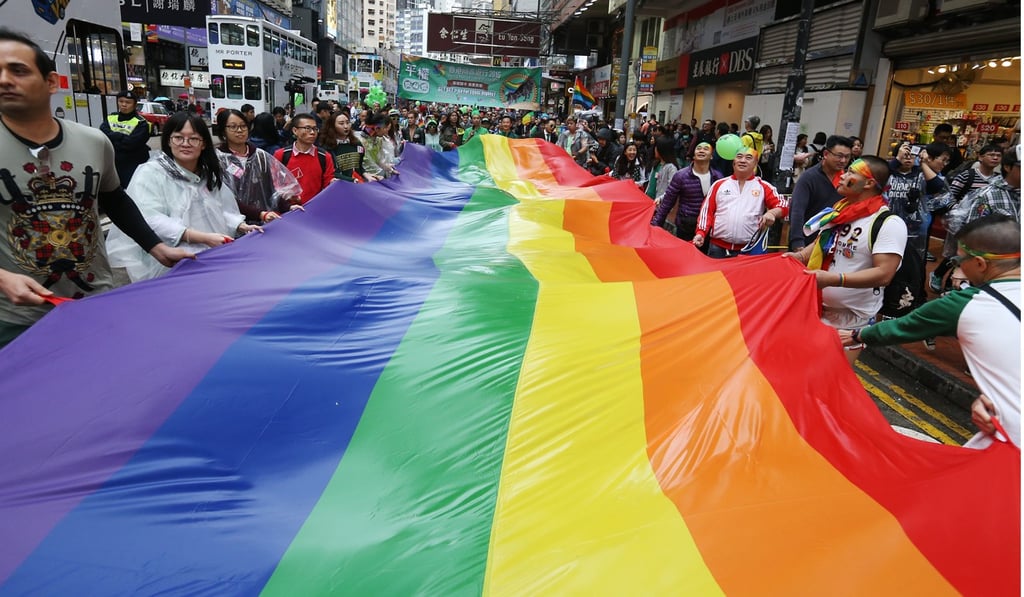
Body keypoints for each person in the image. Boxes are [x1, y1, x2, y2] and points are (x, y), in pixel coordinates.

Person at [0, 28, 192, 346]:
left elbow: (114, 200)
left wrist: (156, 247)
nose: (5, 80)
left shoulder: (93, 141)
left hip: (95, 304)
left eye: (18, 70)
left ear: (51, 82)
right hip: (16, 319)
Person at [839, 215, 1019, 448]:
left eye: (958, 260)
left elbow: (903, 327)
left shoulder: (964, 304)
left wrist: (855, 335)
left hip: (1011, 440)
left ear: (980, 264)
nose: (958, 266)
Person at [106, 112, 260, 282]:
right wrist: (201, 237)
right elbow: (149, 219)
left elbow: (218, 209)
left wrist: (240, 225)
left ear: (203, 144)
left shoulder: (207, 174)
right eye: (178, 138)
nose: (185, 144)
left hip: (211, 258)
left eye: (193, 139)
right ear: (168, 140)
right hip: (169, 264)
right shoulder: (151, 173)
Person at [784, 156, 907, 364]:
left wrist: (832, 279)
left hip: (850, 323)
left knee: (828, 380)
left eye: (851, 172)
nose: (843, 176)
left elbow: (884, 274)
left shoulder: (888, 223)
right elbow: (821, 245)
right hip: (814, 310)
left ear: (868, 183)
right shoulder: (839, 211)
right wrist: (798, 257)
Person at [930, 144, 1006, 292]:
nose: (995, 158)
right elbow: (949, 196)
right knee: (956, 254)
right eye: (991, 154)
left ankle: (951, 288)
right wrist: (958, 214)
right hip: (963, 224)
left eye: (998, 155)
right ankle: (939, 275)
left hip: (984, 228)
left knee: (971, 257)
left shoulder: (999, 180)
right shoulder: (967, 175)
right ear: (980, 157)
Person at [694, 146, 788, 258]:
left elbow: (784, 205)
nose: (743, 160)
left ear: (755, 163)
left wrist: (772, 213)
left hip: (748, 249)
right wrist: (701, 233)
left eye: (748, 158)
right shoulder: (719, 184)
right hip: (717, 248)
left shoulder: (763, 186)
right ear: (734, 162)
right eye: (739, 157)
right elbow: (706, 212)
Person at [215, 109, 301, 225]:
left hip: (263, 222)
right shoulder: (218, 159)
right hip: (233, 225)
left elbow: (270, 189)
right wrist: (259, 214)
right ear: (223, 131)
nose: (239, 130)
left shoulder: (260, 156)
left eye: (243, 126)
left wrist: (288, 207)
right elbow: (226, 200)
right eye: (233, 127)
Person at [788, 135, 853, 250]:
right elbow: (797, 211)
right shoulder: (809, 178)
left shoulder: (848, 180)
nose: (843, 161)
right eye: (839, 156)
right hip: (807, 242)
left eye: (847, 157)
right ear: (826, 154)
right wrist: (797, 242)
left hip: (834, 245)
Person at [652, 141, 723, 242]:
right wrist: (655, 225)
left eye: (706, 149)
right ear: (693, 155)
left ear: (711, 156)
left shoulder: (718, 177)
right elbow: (667, 202)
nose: (702, 150)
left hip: (709, 228)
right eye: (698, 148)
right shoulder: (681, 176)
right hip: (685, 227)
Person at [273, 113, 335, 204]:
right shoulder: (281, 155)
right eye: (307, 128)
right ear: (295, 131)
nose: (312, 132)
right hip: (288, 211)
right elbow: (274, 184)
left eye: (315, 129)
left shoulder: (324, 157)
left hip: (315, 209)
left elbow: (328, 186)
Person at [99, 90, 150, 187]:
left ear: (134, 105)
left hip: (131, 165)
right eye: (121, 101)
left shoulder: (141, 123)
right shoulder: (111, 117)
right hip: (112, 163)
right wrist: (122, 137)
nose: (124, 104)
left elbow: (132, 144)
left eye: (128, 102)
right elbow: (102, 133)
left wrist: (114, 137)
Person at [320, 111, 371, 182]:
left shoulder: (357, 144)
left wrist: (366, 174)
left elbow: (359, 166)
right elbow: (331, 173)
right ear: (332, 126)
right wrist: (352, 180)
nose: (346, 126)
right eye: (341, 123)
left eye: (347, 122)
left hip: (358, 185)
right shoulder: (327, 147)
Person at [359, 111, 399, 179]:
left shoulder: (378, 140)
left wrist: (389, 169)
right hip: (366, 179)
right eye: (386, 129)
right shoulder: (360, 141)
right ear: (377, 128)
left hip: (379, 177)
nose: (387, 132)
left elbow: (378, 159)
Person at [645, 135, 679, 203]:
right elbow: (650, 183)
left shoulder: (671, 168)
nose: (654, 150)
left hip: (659, 204)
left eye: (656, 148)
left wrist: (660, 199)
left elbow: (671, 189)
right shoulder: (656, 164)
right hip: (648, 201)